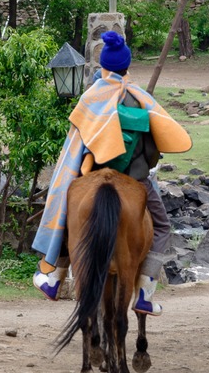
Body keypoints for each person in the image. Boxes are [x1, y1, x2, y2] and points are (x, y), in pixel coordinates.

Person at [31, 31, 192, 314]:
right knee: (163, 226)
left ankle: (54, 278)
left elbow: (77, 144)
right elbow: (153, 148)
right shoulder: (140, 98)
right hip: (137, 181)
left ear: (103, 66)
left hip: (93, 172)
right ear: (127, 67)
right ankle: (145, 292)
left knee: (66, 212)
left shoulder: (92, 97)